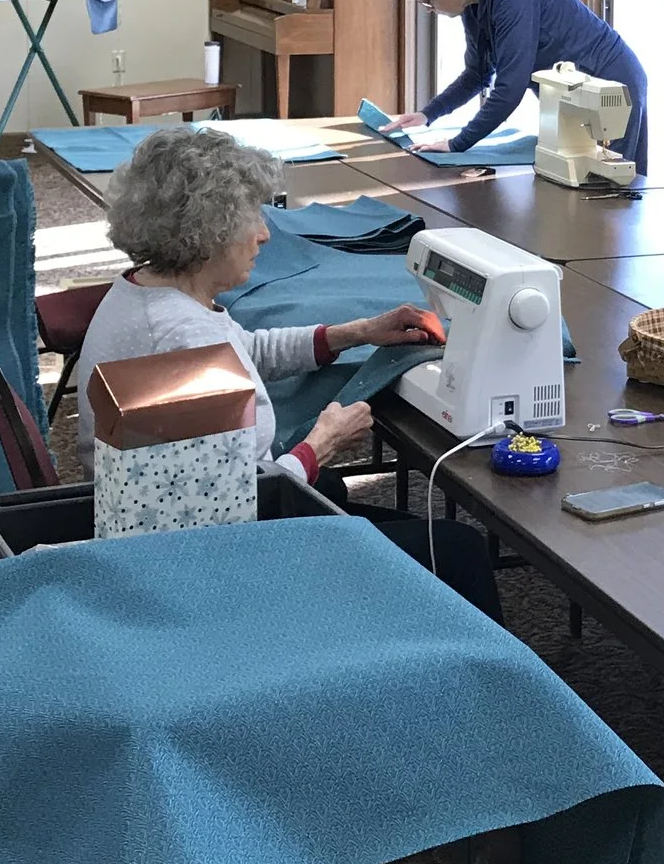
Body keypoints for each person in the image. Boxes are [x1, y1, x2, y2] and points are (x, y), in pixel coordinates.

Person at [74, 128, 501, 615]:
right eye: (250, 219)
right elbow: (251, 498)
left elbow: (241, 354)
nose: (264, 233)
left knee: (332, 492)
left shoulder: (147, 291)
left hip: (153, 528)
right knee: (459, 552)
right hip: (210, 563)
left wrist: (355, 333)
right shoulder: (184, 333)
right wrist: (323, 442)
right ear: (207, 231)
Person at [384, 0, 649, 172]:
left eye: (429, 0)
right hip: (568, 96)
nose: (429, 9)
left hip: (611, 81)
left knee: (613, 186)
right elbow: (477, 75)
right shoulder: (474, 6)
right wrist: (428, 114)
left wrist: (458, 143)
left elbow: (511, 87)